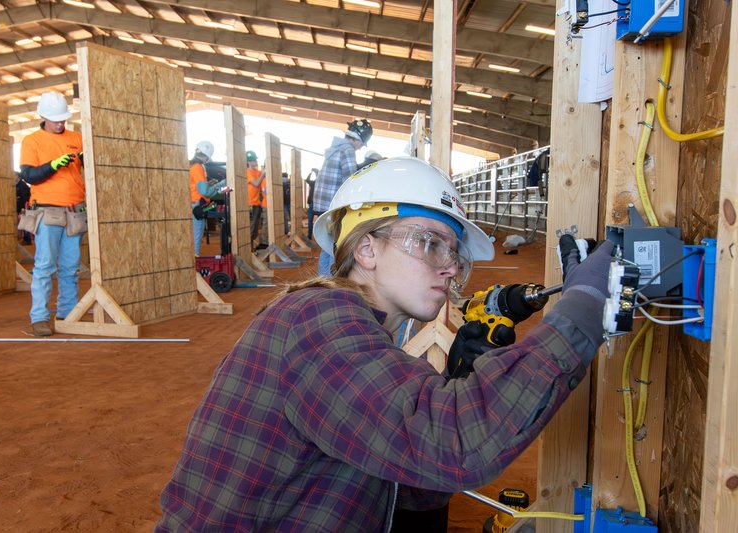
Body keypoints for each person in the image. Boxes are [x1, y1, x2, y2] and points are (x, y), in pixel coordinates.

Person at [155, 157, 615, 532]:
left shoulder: (367, 335)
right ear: (366, 249)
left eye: (453, 253)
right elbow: (452, 446)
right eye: (429, 243)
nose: (450, 268)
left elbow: (412, 482)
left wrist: (459, 380)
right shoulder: (317, 318)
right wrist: (584, 307)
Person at [18, 91, 84, 337]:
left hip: (74, 210)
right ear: (43, 116)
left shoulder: (77, 138)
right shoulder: (32, 141)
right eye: (55, 119)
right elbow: (28, 176)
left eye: (63, 119)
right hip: (47, 211)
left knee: (70, 267)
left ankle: (67, 313)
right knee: (45, 266)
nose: (60, 123)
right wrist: (55, 164)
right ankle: (39, 317)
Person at [312, 118, 373, 275]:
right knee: (337, 244)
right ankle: (331, 281)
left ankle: (323, 279)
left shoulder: (335, 149)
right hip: (332, 205)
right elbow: (350, 179)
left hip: (321, 204)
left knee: (328, 245)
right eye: (361, 144)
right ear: (359, 139)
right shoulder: (348, 150)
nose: (359, 148)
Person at [189, 140, 219, 256]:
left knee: (194, 236)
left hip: (195, 204)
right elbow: (205, 191)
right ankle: (195, 261)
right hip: (198, 206)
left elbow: (197, 186)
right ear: (206, 157)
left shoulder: (191, 166)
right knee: (197, 237)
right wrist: (221, 186)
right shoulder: (198, 167)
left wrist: (210, 183)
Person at [246, 150, 267, 250]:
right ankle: (248, 251)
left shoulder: (257, 172)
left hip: (257, 204)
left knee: (255, 230)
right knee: (251, 228)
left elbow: (263, 174)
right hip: (250, 204)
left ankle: (251, 249)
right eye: (254, 160)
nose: (256, 162)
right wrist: (263, 174)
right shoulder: (247, 172)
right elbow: (256, 183)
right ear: (249, 162)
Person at [305, 167, 318, 240]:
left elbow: (307, 180)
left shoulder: (314, 183)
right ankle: (310, 236)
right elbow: (307, 180)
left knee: (310, 221)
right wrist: (313, 172)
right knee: (311, 221)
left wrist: (312, 172)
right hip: (315, 204)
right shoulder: (314, 183)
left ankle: (310, 236)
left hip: (314, 204)